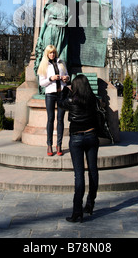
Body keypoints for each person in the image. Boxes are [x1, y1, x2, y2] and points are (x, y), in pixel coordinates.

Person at [58, 74, 99, 223]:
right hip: (92, 136)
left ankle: (77, 211)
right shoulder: (92, 99)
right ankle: (90, 203)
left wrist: (65, 90)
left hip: (76, 138)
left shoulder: (71, 100)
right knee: (93, 171)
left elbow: (60, 103)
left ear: (75, 87)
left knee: (79, 175)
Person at [37, 45, 70, 156]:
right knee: (50, 119)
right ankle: (49, 145)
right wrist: (51, 78)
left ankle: (59, 145)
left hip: (61, 93)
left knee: (60, 119)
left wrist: (66, 78)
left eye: (53, 53)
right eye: (50, 53)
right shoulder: (44, 65)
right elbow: (41, 83)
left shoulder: (61, 62)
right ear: (47, 54)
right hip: (50, 94)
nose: (52, 55)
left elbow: (66, 75)